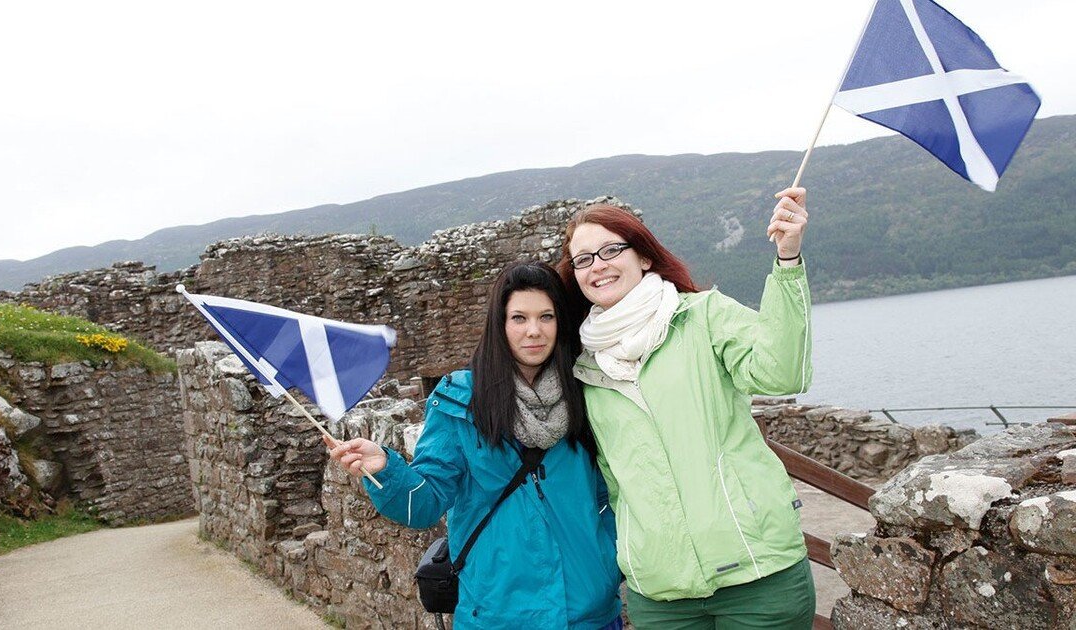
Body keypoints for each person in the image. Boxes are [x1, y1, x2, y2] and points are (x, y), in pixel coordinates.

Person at [556, 188, 815, 629]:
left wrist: (787, 261)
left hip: (758, 574)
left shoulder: (702, 316)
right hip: (660, 593)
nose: (597, 265)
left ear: (645, 257)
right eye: (583, 259)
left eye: (611, 249)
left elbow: (782, 372)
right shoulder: (581, 366)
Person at [327, 261, 623, 630]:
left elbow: (611, 491)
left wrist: (606, 559)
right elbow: (426, 503)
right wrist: (386, 469)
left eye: (546, 317)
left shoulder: (586, 392)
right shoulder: (461, 402)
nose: (534, 331)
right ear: (499, 324)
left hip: (588, 612)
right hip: (499, 613)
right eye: (519, 318)